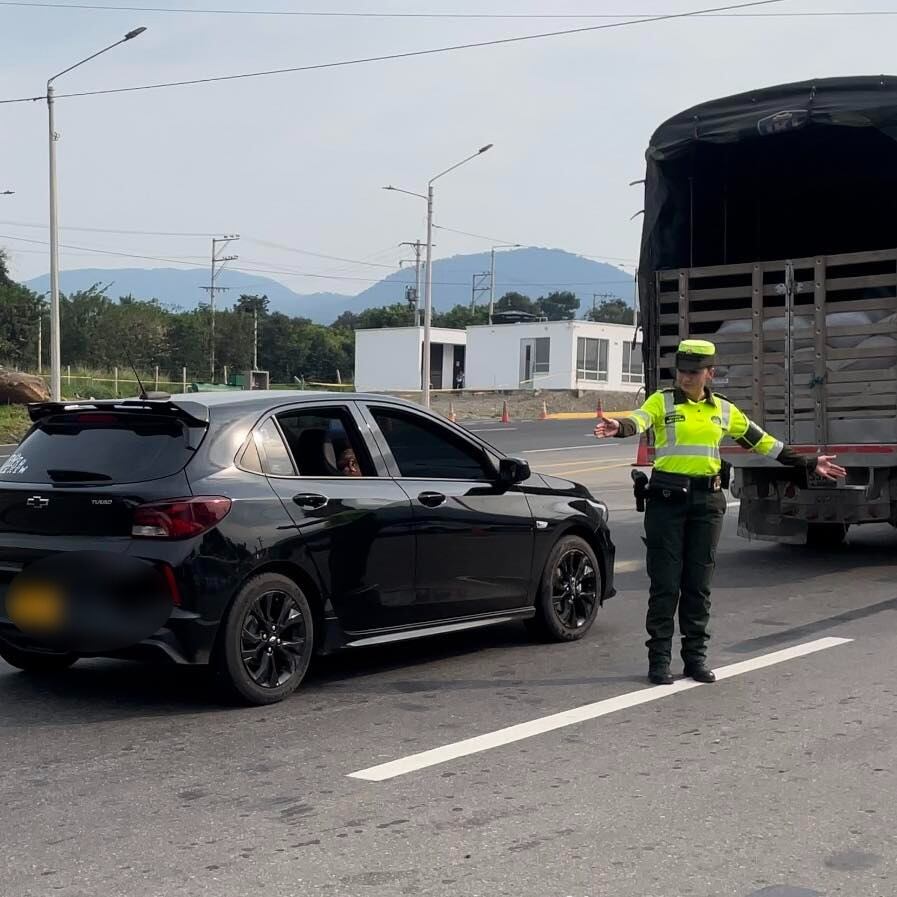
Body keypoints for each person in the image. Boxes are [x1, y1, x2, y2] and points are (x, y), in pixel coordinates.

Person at [594, 338, 846, 686]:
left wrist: (807, 462)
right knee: (665, 584)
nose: (686, 377)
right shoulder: (662, 401)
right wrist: (618, 426)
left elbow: (763, 442)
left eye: (694, 372)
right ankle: (659, 662)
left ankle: (695, 660)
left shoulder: (724, 410)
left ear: (709, 373)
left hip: (707, 503)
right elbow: (638, 420)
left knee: (698, 585)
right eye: (682, 371)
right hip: (667, 501)